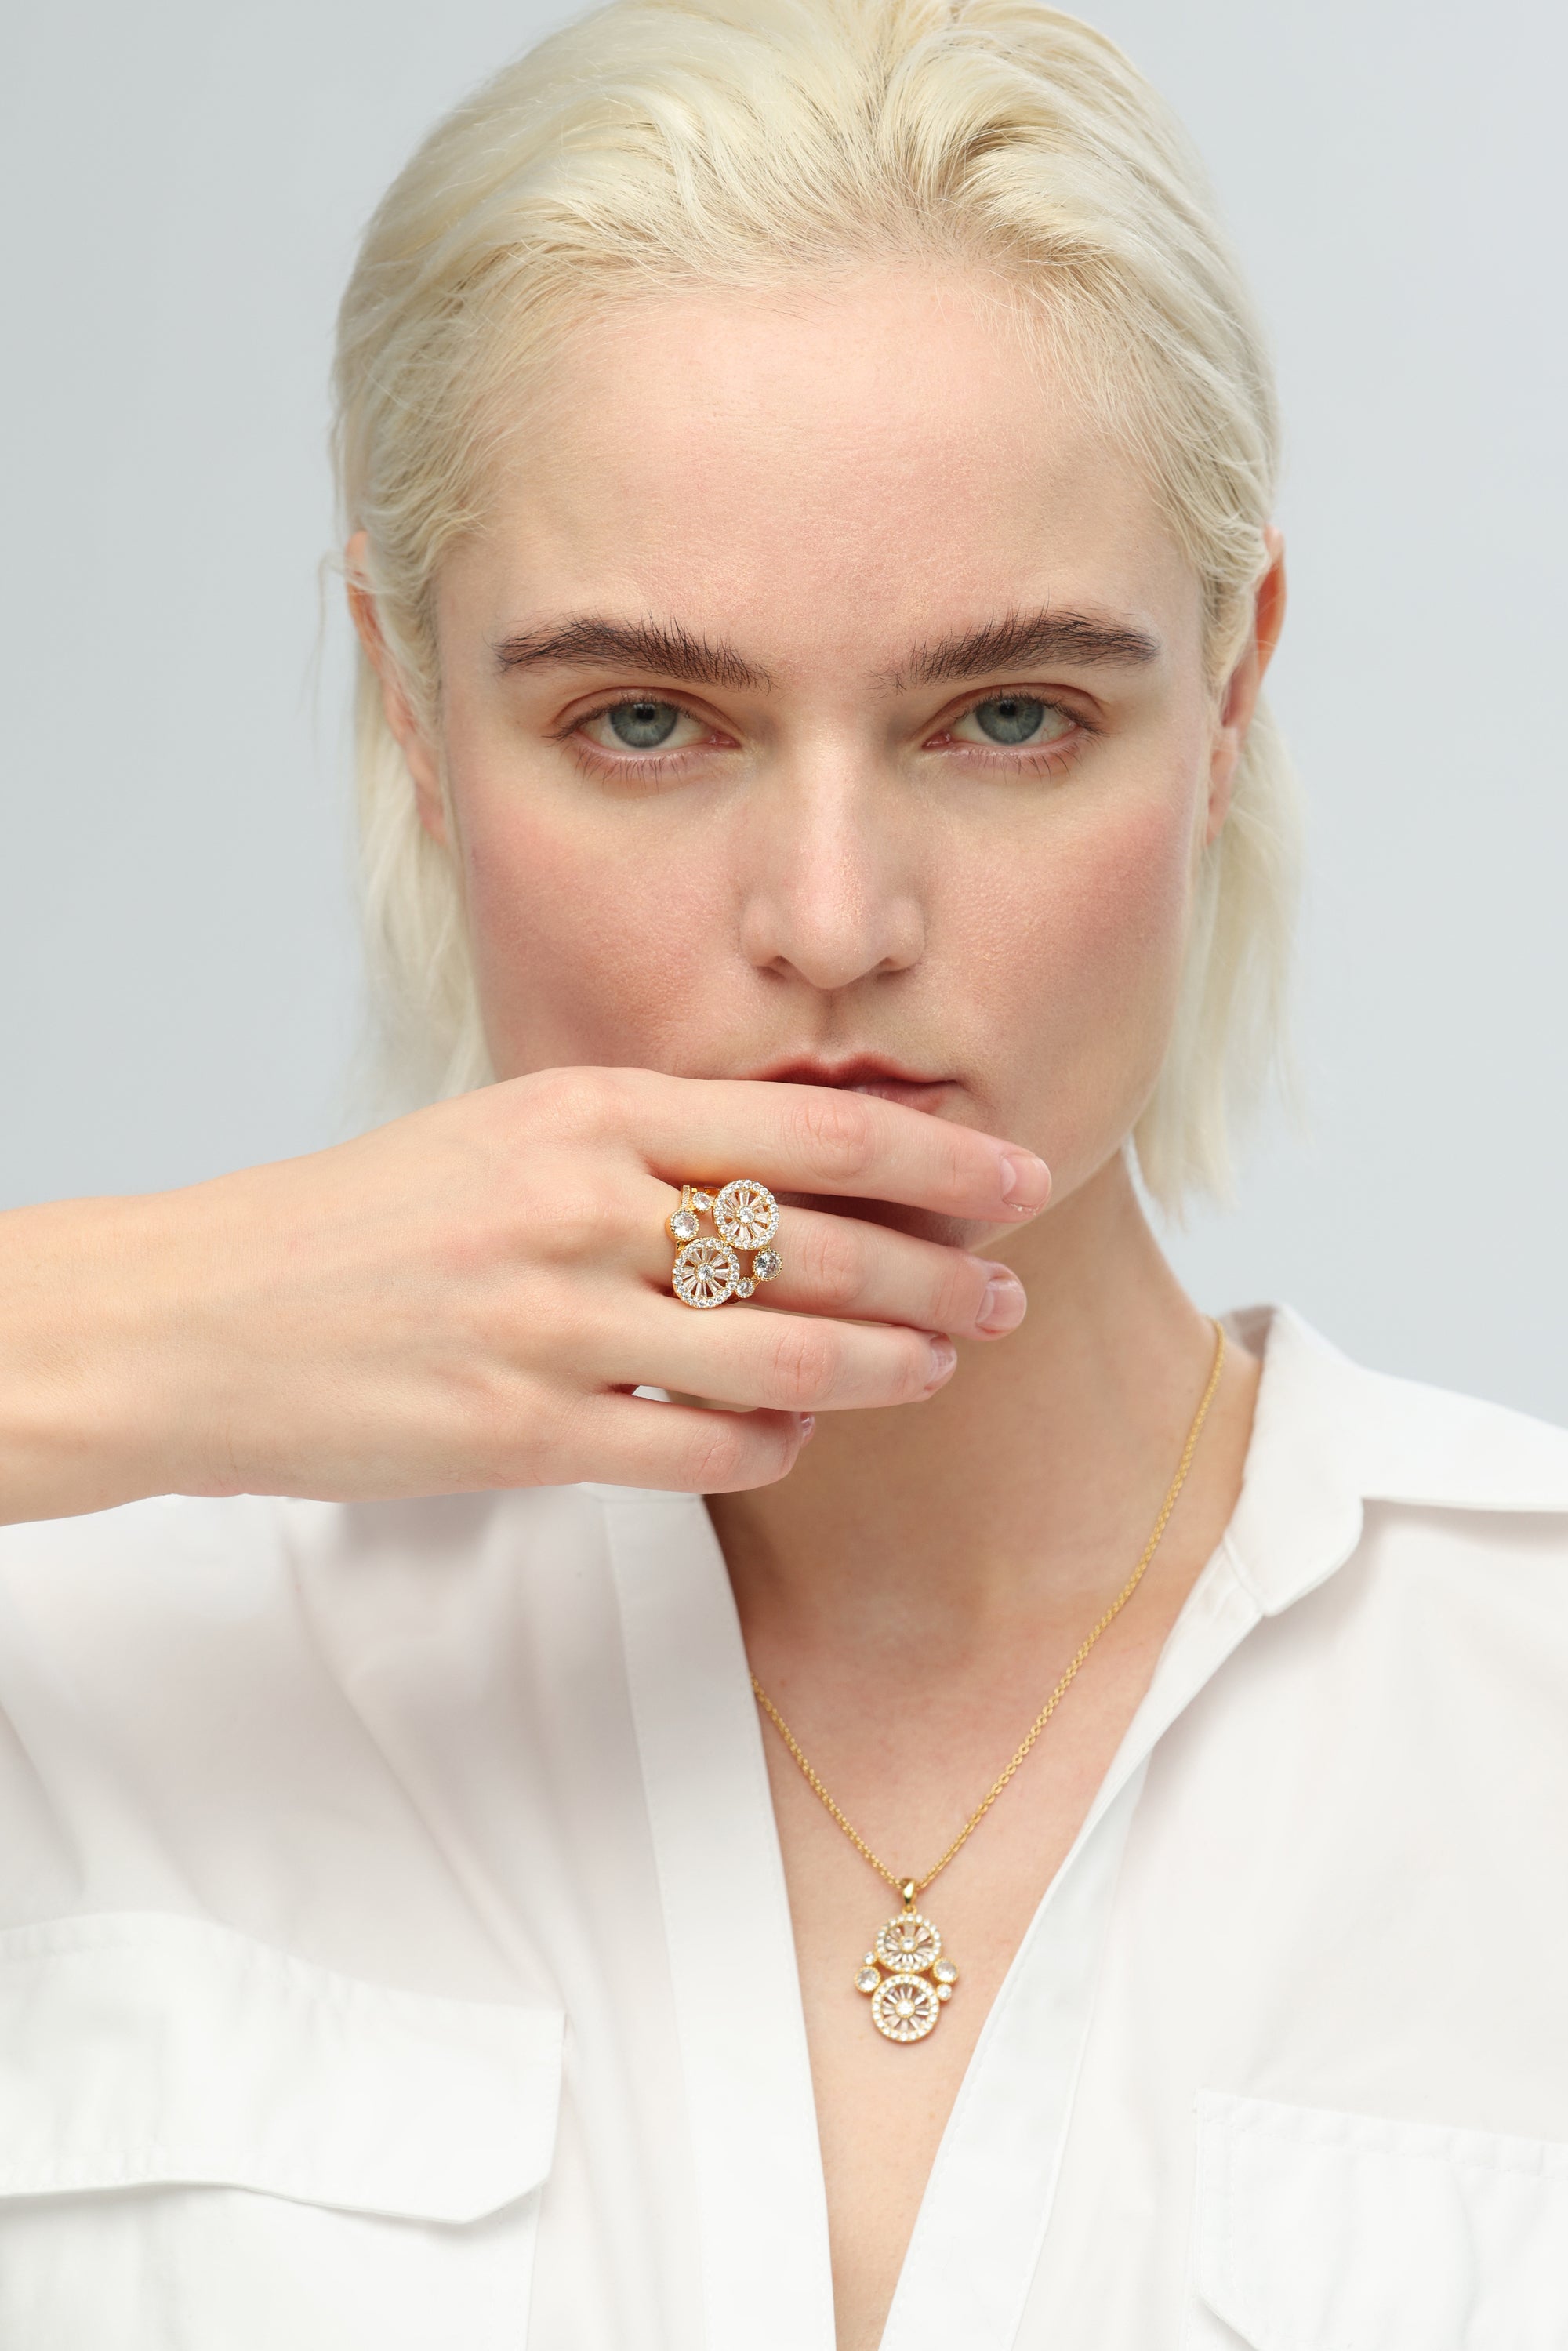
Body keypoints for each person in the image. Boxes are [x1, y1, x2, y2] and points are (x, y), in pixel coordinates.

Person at [1, 0, 1565, 2343]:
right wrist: (106, 1336)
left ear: (1229, 695)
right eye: (646, 720)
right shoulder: (84, 1648)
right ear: (411, 715)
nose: (835, 918)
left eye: (1008, 714)